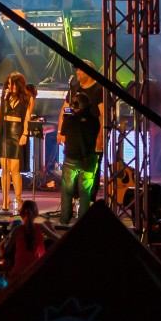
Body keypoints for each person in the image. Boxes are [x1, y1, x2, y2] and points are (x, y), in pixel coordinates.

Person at [57, 65, 104, 224]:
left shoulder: (98, 90)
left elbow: (103, 115)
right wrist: (59, 132)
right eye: (77, 69)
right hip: (81, 153)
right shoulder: (74, 89)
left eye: (81, 70)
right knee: (82, 189)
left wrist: (100, 138)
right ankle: (79, 219)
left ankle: (67, 218)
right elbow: (63, 112)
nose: (77, 72)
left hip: (82, 153)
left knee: (72, 189)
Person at [0, 71, 35, 214]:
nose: (10, 86)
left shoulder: (28, 98)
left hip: (17, 133)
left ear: (19, 84)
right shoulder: (5, 96)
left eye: (12, 83)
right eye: (8, 83)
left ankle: (18, 198)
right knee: (5, 169)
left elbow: (27, 118)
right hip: (4, 132)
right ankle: (5, 199)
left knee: (14, 169)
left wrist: (25, 134)